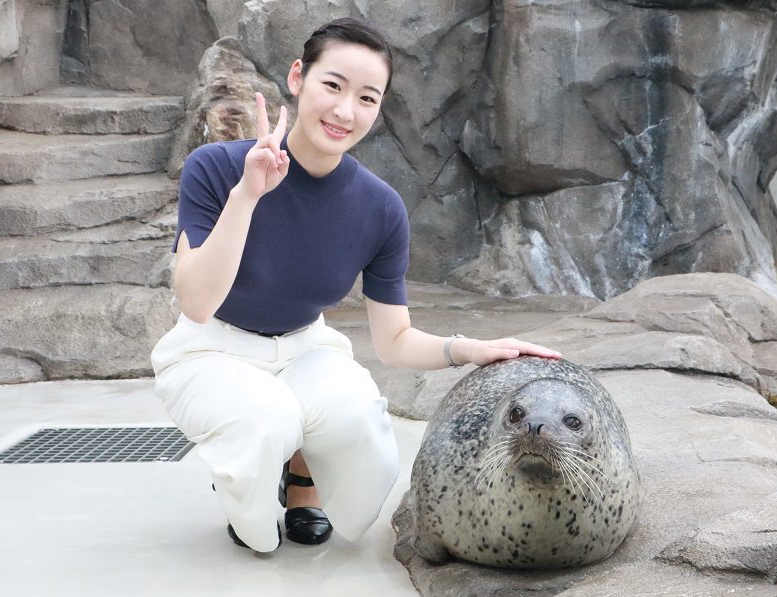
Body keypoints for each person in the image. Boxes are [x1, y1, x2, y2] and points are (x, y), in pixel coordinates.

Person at [151, 17, 561, 553]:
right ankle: (247, 469)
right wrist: (248, 195)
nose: (346, 111)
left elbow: (392, 340)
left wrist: (469, 350)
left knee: (361, 426)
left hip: (304, 348)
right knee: (263, 422)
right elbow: (198, 303)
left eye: (368, 98)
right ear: (298, 77)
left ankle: (303, 476)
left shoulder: (380, 207)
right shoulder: (216, 167)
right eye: (333, 86)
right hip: (210, 349)